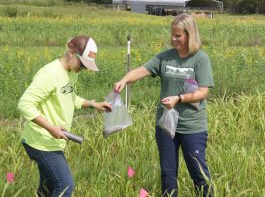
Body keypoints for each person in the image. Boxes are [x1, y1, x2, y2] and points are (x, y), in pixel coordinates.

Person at [114, 13, 214, 197]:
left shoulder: (200, 59)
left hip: (192, 126)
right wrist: (124, 80)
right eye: (172, 35)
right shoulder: (165, 57)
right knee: (168, 173)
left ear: (190, 35)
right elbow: (142, 70)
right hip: (166, 125)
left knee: (199, 174)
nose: (174, 39)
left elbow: (203, 92)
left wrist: (179, 99)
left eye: (178, 36)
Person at [18, 35, 112, 197]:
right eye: (82, 64)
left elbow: (68, 97)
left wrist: (93, 104)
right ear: (71, 52)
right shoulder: (49, 74)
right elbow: (25, 104)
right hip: (42, 142)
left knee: (47, 189)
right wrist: (51, 128)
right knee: (65, 186)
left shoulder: (71, 72)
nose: (84, 69)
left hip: (52, 141)